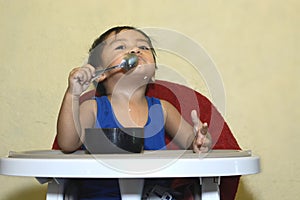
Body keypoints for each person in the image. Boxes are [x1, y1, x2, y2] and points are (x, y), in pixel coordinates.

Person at [57, 26, 212, 199]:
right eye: (120, 47)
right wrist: (73, 94)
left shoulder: (162, 109)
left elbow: (191, 141)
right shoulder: (92, 108)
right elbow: (67, 143)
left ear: (152, 74)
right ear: (100, 73)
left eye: (144, 47)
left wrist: (201, 140)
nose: (135, 50)